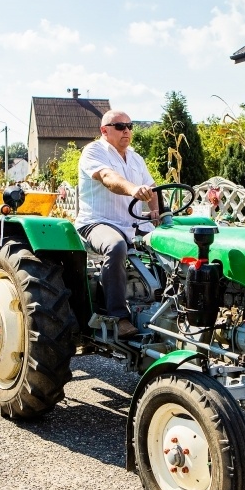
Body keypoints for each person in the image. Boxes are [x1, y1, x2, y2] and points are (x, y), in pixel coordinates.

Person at [75, 110, 160, 338]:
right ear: (104, 130)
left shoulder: (135, 158)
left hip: (132, 224)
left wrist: (156, 211)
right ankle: (118, 316)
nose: (127, 131)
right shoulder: (94, 151)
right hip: (97, 222)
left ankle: (166, 306)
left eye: (130, 126)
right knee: (116, 246)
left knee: (170, 242)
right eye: (120, 126)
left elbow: (152, 189)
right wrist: (133, 189)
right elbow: (108, 177)